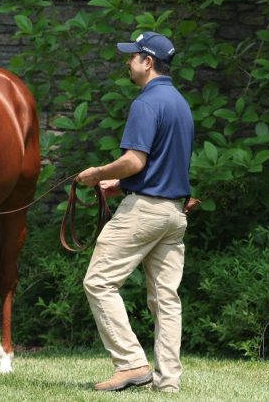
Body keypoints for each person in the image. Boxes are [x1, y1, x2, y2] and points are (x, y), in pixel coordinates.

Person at [76, 31, 194, 393]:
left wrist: (98, 175)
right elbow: (163, 163)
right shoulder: (180, 104)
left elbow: (134, 160)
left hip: (145, 212)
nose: (127, 62)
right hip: (174, 214)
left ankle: (130, 364)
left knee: (98, 282)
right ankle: (169, 381)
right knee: (166, 299)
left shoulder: (145, 104)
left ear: (147, 62)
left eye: (132, 57)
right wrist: (122, 185)